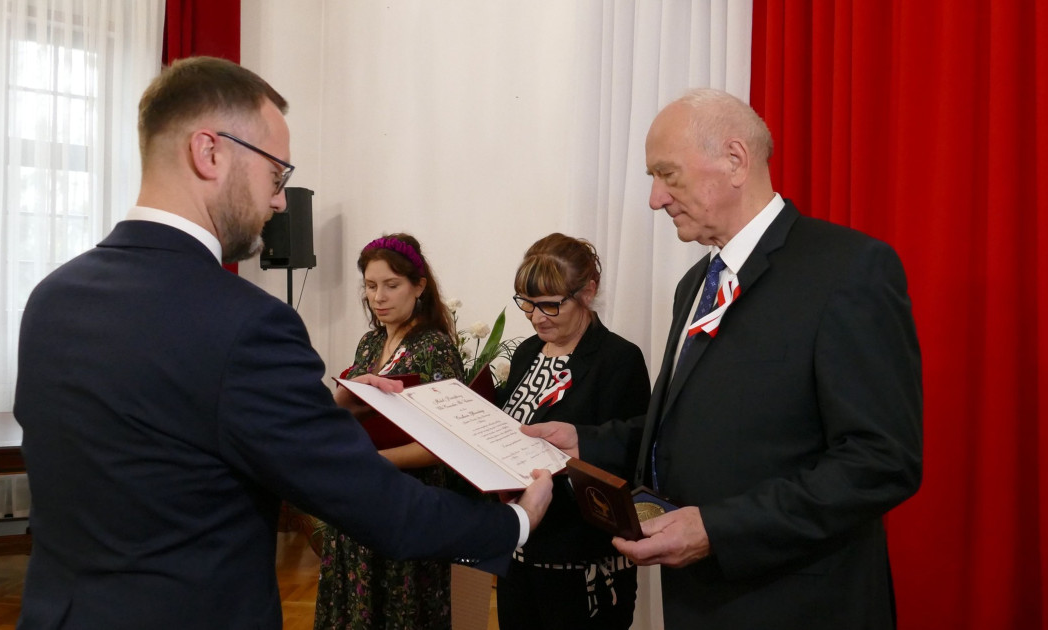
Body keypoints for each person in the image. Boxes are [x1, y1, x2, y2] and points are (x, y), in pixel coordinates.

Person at [12, 56, 551, 630]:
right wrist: (513, 522)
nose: (277, 202)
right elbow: (377, 506)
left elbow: (163, 443)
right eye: (276, 175)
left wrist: (330, 406)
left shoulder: (51, 298)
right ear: (209, 152)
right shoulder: (246, 323)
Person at [524, 88, 923, 629]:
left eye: (668, 175)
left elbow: (880, 461)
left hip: (798, 604)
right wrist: (587, 441)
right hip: (700, 601)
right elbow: (692, 424)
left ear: (735, 160)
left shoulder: (847, 270)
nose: (655, 199)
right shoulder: (695, 285)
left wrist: (719, 529)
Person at [494, 233, 651, 630]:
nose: (536, 316)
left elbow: (633, 454)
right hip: (520, 546)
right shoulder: (528, 351)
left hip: (581, 558)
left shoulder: (618, 359)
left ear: (588, 292)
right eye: (527, 304)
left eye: (550, 304)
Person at [313, 232, 465, 629]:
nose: (379, 297)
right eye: (371, 285)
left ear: (419, 286)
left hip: (407, 500)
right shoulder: (370, 342)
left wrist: (372, 462)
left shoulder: (434, 347)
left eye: (392, 285)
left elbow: (445, 444)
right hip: (361, 495)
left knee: (401, 609)